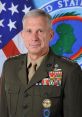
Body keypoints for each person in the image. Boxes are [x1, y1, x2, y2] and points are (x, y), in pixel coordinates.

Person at [0, 9, 82, 117]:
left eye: (40, 31)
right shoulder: (9, 66)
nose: (34, 38)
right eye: (29, 31)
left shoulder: (69, 70)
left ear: (51, 35)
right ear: (23, 35)